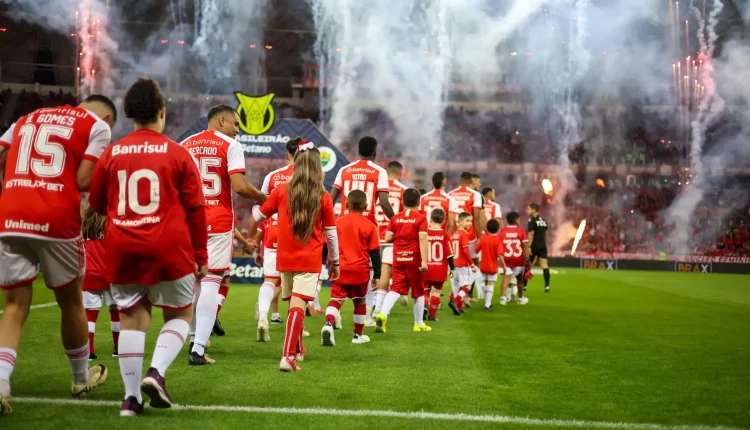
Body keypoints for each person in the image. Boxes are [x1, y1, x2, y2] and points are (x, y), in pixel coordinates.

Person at [89, 78, 208, 416]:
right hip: (169, 248)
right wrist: (201, 255)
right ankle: (156, 372)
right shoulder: (178, 153)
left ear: (128, 114)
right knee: (180, 313)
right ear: (161, 112)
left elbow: (97, 205)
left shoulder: (112, 153)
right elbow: (196, 209)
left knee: (131, 318)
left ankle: (130, 400)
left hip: (124, 246)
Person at [0, 93, 117, 415]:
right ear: (107, 119)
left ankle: (1, 384)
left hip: (10, 213)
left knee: (14, 304)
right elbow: (83, 180)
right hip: (56, 217)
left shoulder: (28, 117)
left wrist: (13, 189)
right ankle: (81, 378)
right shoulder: (97, 126)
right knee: (71, 301)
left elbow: (1, 155)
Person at [180, 104, 266, 365]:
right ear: (220, 121)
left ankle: (195, 336)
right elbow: (239, 186)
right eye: (235, 124)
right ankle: (197, 348)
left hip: (185, 222)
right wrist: (265, 198)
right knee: (211, 283)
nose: (237, 130)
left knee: (193, 283)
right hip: (216, 221)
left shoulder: (184, 144)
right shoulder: (230, 145)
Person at [248, 140, 339, 372]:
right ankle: (288, 356)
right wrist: (335, 261)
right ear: (318, 168)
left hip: (284, 257)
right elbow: (331, 235)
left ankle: (298, 349)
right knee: (299, 304)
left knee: (293, 305)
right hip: (309, 258)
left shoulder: (280, 190)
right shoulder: (323, 196)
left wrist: (252, 238)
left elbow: (256, 216)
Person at [255, 137, 301, 340]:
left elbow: (262, 207)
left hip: (273, 232)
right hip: (297, 235)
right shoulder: (307, 177)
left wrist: (257, 238)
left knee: (270, 281)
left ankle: (264, 315)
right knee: (299, 283)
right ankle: (297, 329)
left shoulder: (272, 177)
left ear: (286, 154)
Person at [321, 190, 381, 346]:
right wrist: (377, 275)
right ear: (366, 206)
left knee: (335, 300)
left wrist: (323, 262)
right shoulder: (370, 225)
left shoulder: (337, 222)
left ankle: (328, 324)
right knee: (360, 301)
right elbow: (375, 253)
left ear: (346, 204)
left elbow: (327, 244)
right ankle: (357, 336)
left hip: (340, 268)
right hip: (360, 270)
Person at [375, 188, 431, 333]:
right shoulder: (421, 218)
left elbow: (387, 238)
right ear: (419, 202)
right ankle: (418, 323)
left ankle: (382, 314)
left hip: (398, 257)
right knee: (418, 290)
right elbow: (423, 238)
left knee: (395, 288)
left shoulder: (395, 218)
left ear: (402, 202)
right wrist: (424, 261)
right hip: (414, 258)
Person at [81, 197, 120, 360]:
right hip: (110, 274)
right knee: (116, 311)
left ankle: (89, 351)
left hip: (89, 274)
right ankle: (118, 348)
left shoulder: (83, 226)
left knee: (90, 313)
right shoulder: (112, 224)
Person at [330, 136, 394, 226]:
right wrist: (396, 222)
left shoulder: (344, 170)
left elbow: (330, 200)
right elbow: (384, 203)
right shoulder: (380, 172)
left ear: (358, 152)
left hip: (343, 224)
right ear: (375, 153)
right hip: (367, 224)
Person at [372, 160, 407, 321]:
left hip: (373, 236)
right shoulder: (403, 191)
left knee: (372, 274)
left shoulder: (376, 188)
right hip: (391, 239)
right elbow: (405, 218)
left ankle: (372, 308)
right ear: (400, 173)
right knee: (387, 274)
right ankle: (379, 308)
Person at [450, 172, 485, 304]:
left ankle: (456, 294)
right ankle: (466, 294)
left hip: (455, 235)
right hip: (469, 236)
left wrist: (451, 234)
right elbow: (476, 216)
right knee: (473, 264)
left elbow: (451, 218)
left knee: (456, 265)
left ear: (460, 180)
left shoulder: (451, 194)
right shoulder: (475, 195)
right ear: (471, 181)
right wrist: (480, 236)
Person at [424, 208, 455, 321]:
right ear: (443, 221)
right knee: (436, 292)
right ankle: (432, 315)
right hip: (440, 269)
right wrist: (452, 268)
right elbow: (450, 254)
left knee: (425, 290)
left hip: (426, 267)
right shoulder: (444, 235)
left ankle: (424, 307)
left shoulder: (425, 233)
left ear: (430, 219)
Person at [474, 219, 506, 311]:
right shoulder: (497, 240)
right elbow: (500, 255)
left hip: (483, 266)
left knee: (486, 283)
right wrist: (504, 265)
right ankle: (487, 304)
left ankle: (486, 297)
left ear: (487, 229)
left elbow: (476, 250)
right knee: (491, 284)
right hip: (492, 266)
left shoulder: (483, 239)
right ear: (498, 229)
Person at [499, 212, 530, 305]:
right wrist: (527, 257)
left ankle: (503, 298)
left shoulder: (502, 231)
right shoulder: (521, 231)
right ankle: (520, 298)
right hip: (518, 259)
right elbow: (525, 245)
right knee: (519, 279)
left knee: (505, 279)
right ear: (517, 220)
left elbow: (499, 244)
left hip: (506, 258)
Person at [448, 212, 476, 315]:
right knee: (467, 286)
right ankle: (455, 302)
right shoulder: (464, 234)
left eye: (471, 221)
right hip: (462, 264)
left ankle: (458, 308)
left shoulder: (454, 234)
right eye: (467, 221)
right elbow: (465, 251)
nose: (470, 224)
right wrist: (472, 264)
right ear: (459, 222)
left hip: (453, 265)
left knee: (456, 287)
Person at [527, 203, 551, 292]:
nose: (527, 211)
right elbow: (546, 233)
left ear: (534, 210)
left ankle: (524, 286)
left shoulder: (532, 220)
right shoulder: (544, 220)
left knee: (527, 266)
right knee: (544, 265)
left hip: (534, 245)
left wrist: (529, 246)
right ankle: (547, 286)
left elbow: (531, 233)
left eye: (529, 209)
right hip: (542, 245)